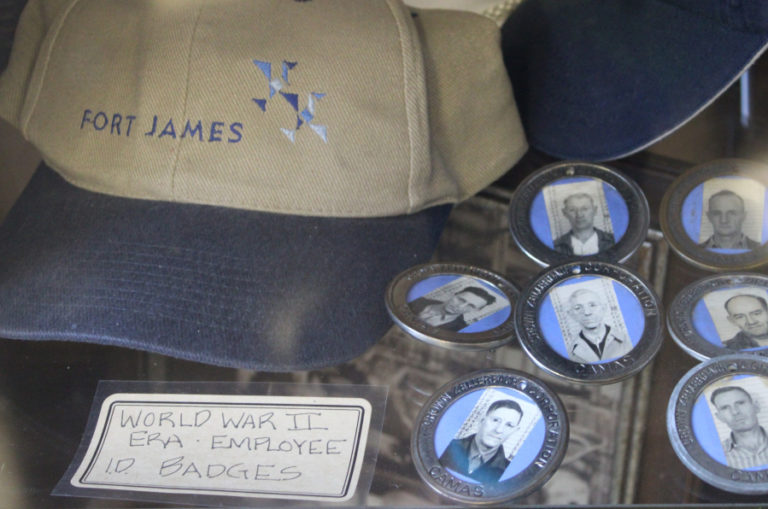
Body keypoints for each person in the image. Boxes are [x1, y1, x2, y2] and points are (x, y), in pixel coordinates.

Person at [439, 399, 523, 483]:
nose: (499, 430)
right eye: (495, 420)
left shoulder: (509, 473)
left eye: (509, 425)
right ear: (482, 420)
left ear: (514, 431)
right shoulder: (446, 446)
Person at [565, 288, 632, 363]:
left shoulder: (627, 339)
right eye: (578, 308)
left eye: (592, 305)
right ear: (571, 314)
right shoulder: (570, 353)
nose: (587, 312)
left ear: (604, 308)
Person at [710, 385, 768, 469]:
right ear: (719, 417)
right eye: (725, 408)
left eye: (740, 403)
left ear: (756, 406)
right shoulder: (716, 456)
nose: (735, 412)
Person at [409, 286, 496, 332]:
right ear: (455, 294)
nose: (460, 306)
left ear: (476, 310)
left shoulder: (459, 329)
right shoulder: (417, 300)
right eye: (461, 300)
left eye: (471, 306)